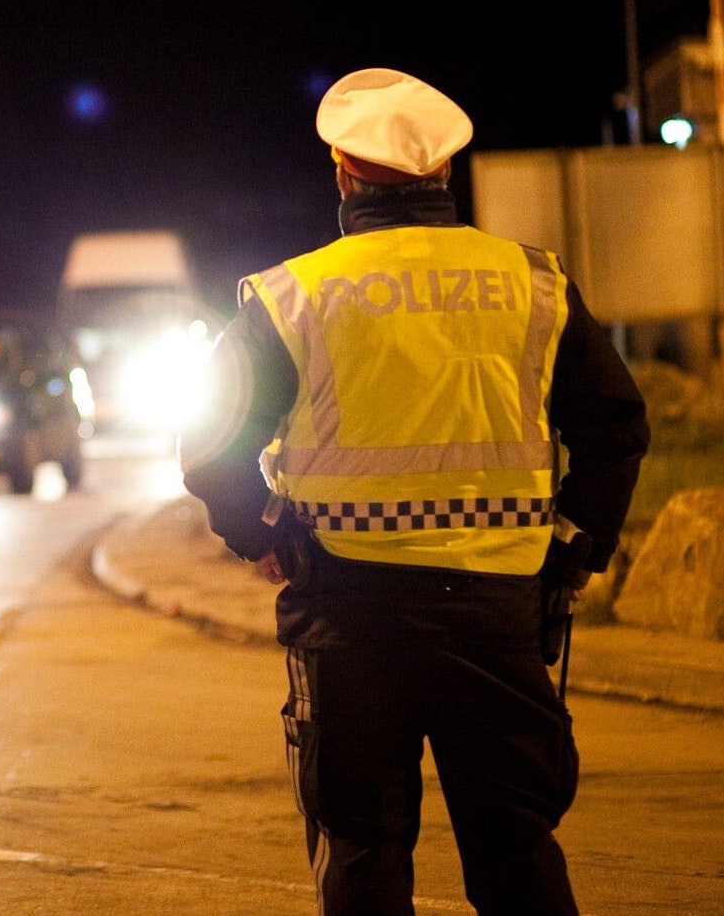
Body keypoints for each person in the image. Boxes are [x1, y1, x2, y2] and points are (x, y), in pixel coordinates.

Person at [180, 68, 648, 915]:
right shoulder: (532, 282)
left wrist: (261, 535)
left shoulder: (290, 296)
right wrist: (576, 548)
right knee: (515, 846)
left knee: (361, 845)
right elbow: (615, 426)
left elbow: (209, 445)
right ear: (442, 173)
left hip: (349, 613)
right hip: (501, 613)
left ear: (341, 173)